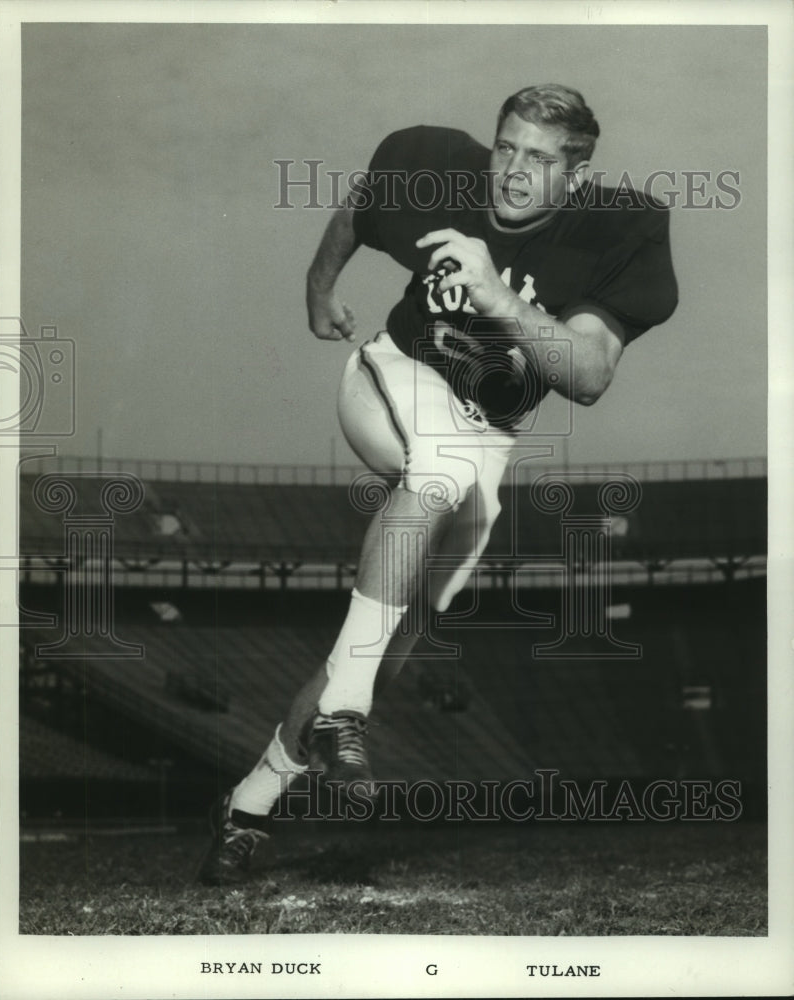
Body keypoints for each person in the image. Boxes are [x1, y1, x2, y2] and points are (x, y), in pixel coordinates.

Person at [198, 84, 678, 885]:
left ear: (578, 174)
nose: (512, 171)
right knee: (440, 471)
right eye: (506, 147)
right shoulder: (438, 169)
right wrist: (317, 289)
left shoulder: (615, 229)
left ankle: (250, 803)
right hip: (393, 372)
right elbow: (363, 207)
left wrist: (494, 293)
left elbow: (588, 373)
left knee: (386, 644)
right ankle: (343, 714)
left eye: (537, 158)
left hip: (484, 433)